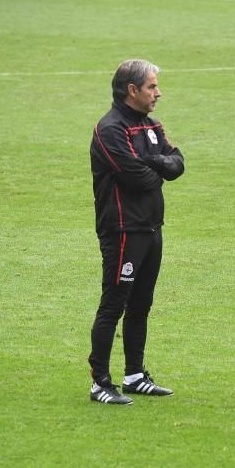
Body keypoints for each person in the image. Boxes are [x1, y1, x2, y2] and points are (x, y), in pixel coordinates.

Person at [86, 59, 185, 405]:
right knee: (113, 305)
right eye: (152, 87)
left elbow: (178, 164)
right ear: (132, 90)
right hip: (123, 231)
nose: (158, 93)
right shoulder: (110, 130)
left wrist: (154, 162)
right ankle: (100, 382)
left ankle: (134, 375)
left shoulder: (150, 126)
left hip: (151, 229)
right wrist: (157, 167)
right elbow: (137, 178)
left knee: (141, 304)